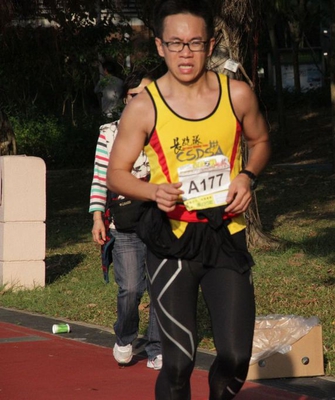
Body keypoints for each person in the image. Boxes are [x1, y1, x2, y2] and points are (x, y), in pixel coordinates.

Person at [107, 0, 270, 399]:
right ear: (160, 46)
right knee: (178, 363)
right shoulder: (144, 106)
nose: (185, 53)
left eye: (195, 43)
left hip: (225, 235)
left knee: (235, 357)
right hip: (171, 241)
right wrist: (153, 191)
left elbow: (261, 141)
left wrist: (247, 176)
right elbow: (116, 173)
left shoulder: (238, 95)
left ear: (210, 44)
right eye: (175, 43)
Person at [89, 70, 163, 370]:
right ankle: (125, 336)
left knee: (160, 287)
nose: (140, 99)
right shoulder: (110, 133)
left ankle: (157, 347)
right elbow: (100, 177)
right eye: (134, 94)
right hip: (125, 221)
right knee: (131, 288)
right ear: (124, 99)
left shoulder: (166, 128)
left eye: (147, 93)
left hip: (161, 219)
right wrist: (97, 217)